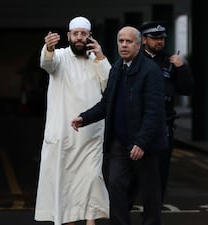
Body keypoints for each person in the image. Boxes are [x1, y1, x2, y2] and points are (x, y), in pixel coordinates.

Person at [71, 26, 167, 225]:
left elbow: (154, 112)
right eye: (121, 41)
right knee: (115, 187)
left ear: (139, 45)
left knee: (150, 194)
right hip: (120, 143)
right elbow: (107, 103)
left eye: (129, 41)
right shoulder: (117, 68)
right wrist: (84, 117)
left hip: (144, 145)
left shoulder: (151, 71)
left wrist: (141, 142)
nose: (124, 45)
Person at [34, 16, 110, 225]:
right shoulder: (59, 56)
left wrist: (101, 56)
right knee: (65, 180)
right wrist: (48, 48)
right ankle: (67, 220)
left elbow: (109, 84)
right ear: (68, 36)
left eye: (83, 34)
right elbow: (46, 64)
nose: (79, 38)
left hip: (91, 133)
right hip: (63, 134)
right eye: (75, 34)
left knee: (92, 178)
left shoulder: (97, 59)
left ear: (89, 36)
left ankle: (90, 219)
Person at [138, 20, 194, 203]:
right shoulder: (135, 59)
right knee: (133, 170)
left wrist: (182, 68)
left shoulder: (171, 60)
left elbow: (187, 89)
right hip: (138, 123)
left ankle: (155, 208)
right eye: (155, 38)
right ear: (144, 39)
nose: (159, 42)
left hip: (164, 123)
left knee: (161, 170)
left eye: (162, 38)